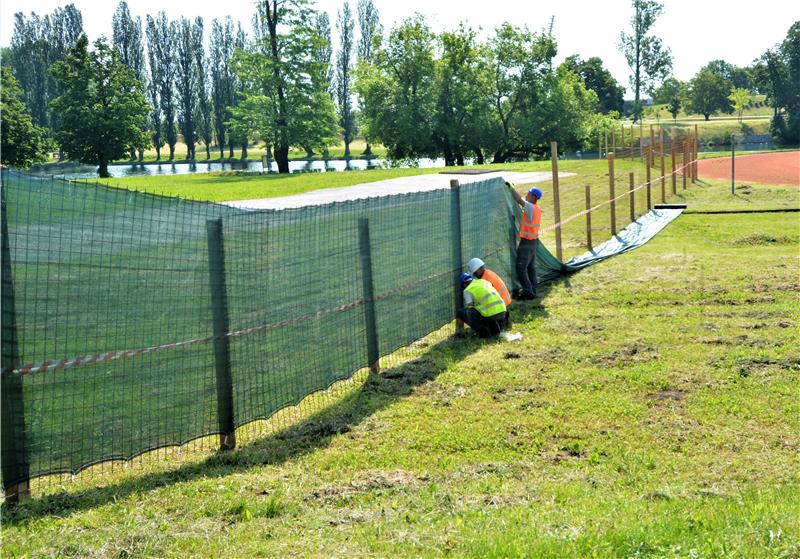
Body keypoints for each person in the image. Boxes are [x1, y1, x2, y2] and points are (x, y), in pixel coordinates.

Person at [506, 182, 542, 300]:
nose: (527, 195)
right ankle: (533, 289)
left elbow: (519, 199)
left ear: (534, 197)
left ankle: (528, 291)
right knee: (531, 268)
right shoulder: (536, 208)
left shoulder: (530, 207)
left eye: (529, 193)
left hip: (527, 243)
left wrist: (511, 188)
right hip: (533, 242)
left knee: (521, 268)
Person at [456, 273, 507, 338]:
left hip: (491, 315)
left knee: (461, 313)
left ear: (464, 284)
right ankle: (494, 331)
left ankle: (483, 332)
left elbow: (470, 306)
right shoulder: (483, 281)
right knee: (485, 311)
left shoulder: (467, 289)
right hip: (503, 311)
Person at [467, 257, 511, 328]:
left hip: (501, 306)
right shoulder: (488, 273)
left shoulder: (485, 279)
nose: (474, 274)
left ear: (480, 269)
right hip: (504, 303)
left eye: (475, 272)